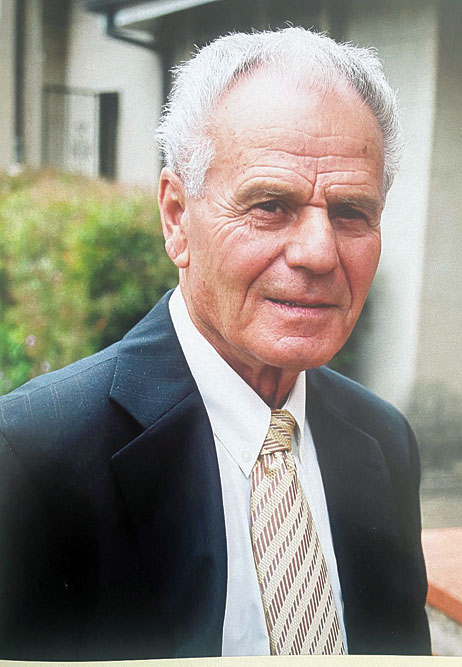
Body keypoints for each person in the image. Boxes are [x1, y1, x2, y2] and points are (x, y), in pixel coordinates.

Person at [0, 28, 430, 659]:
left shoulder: (385, 440)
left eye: (351, 213)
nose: (318, 253)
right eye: (270, 205)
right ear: (177, 217)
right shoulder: (34, 455)